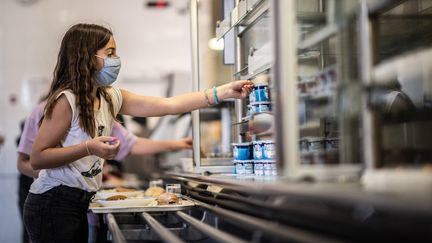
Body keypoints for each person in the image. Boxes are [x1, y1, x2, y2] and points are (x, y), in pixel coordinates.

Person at [23, 23, 253, 243]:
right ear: (87, 58)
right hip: (52, 203)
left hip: (78, 202)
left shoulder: (109, 97)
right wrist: (88, 147)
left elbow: (169, 105)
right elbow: (38, 157)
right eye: (110, 53)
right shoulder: (66, 100)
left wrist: (221, 93)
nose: (116, 60)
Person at [17, 102, 192, 243]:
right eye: (108, 55)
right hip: (53, 201)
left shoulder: (101, 109)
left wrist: (179, 144)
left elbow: (131, 143)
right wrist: (67, 173)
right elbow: (27, 161)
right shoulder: (43, 111)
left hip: (85, 203)